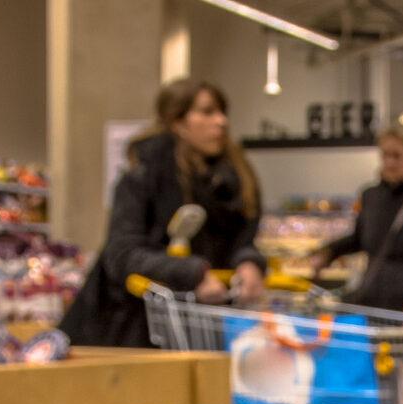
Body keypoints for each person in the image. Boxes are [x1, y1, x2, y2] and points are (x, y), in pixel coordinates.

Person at [60, 78, 269, 348]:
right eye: (207, 112)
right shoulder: (144, 176)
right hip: (131, 329)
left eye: (221, 112)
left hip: (201, 330)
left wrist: (248, 262)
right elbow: (122, 253)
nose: (221, 121)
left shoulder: (236, 179)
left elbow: (241, 241)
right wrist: (192, 272)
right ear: (178, 122)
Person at [306, 125, 403, 316]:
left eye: (397, 156)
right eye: (385, 155)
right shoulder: (371, 195)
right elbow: (360, 238)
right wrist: (327, 252)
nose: (390, 162)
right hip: (372, 304)